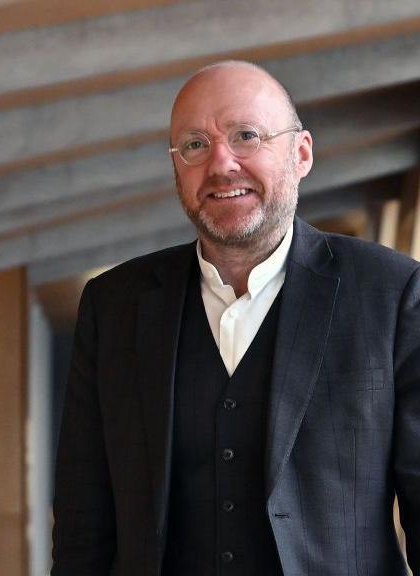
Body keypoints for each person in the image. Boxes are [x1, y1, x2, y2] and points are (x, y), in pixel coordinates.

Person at [52, 60, 420, 575]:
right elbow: (82, 520)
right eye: (195, 145)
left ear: (302, 154)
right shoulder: (113, 307)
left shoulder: (392, 293)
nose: (221, 163)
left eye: (246, 136)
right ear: (176, 167)